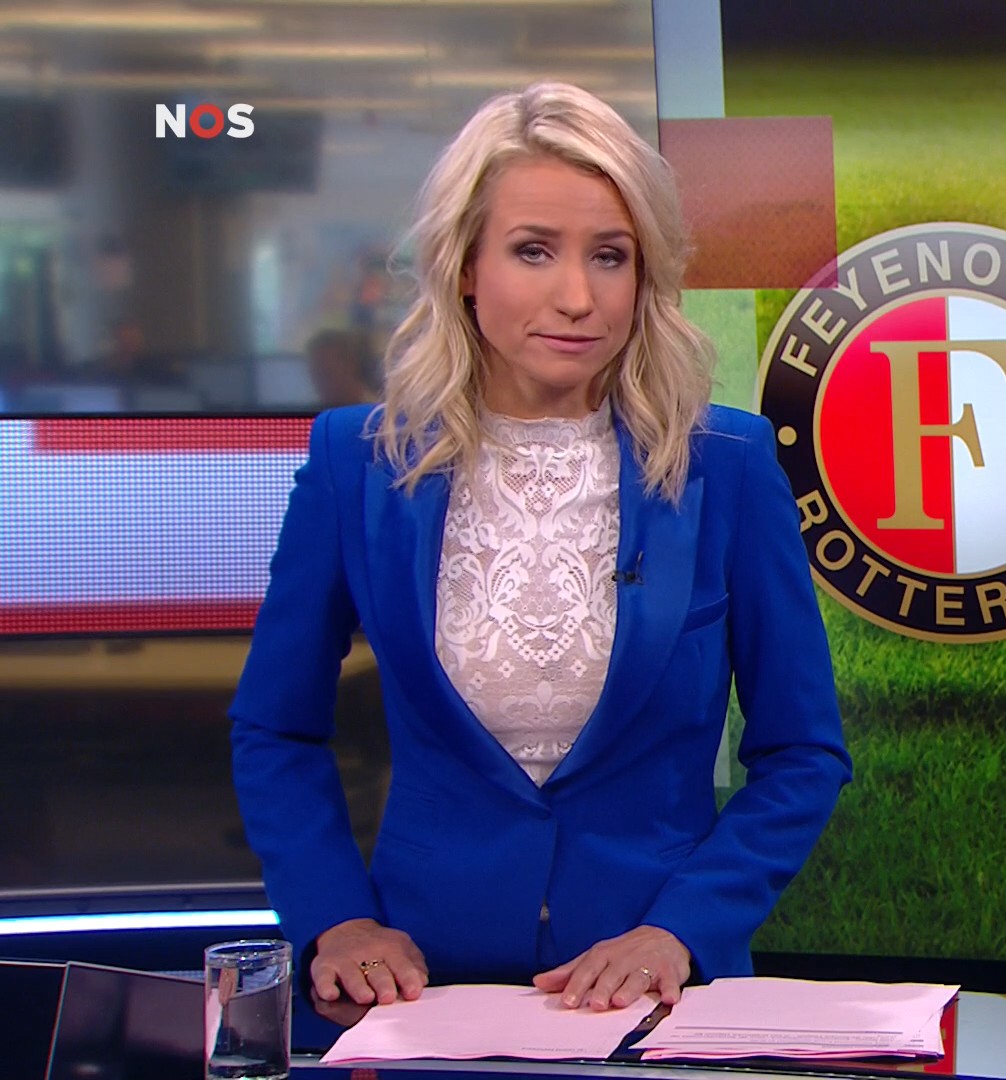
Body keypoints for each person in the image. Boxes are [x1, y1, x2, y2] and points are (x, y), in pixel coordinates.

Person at [229, 82, 850, 1024]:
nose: (577, 298)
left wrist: (679, 931)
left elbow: (802, 751)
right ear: (464, 266)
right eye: (533, 251)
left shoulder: (726, 464)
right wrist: (338, 921)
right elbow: (276, 729)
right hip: (423, 990)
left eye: (610, 256)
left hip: (660, 994)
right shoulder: (358, 463)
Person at [304, 328, 381, 408]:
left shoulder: (378, 410)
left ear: (350, 366)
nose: (318, 384)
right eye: (315, 375)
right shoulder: (318, 411)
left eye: (325, 373)